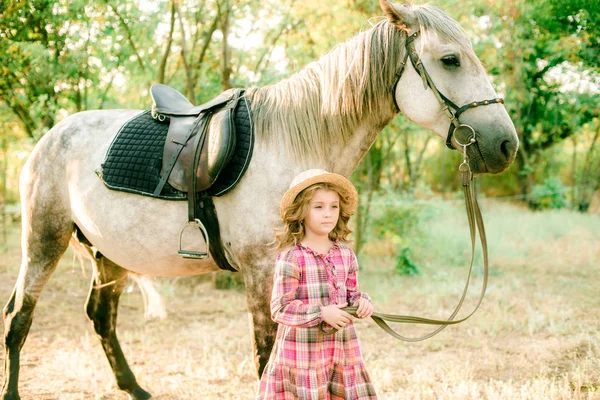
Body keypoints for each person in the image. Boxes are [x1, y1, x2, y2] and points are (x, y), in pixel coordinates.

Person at [257, 169, 377, 400]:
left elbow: (351, 294)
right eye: (318, 206)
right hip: (302, 354)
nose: (328, 214)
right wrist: (322, 313)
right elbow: (280, 308)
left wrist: (362, 302)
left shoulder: (346, 254)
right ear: (301, 211)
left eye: (334, 207)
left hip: (340, 349)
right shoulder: (292, 257)